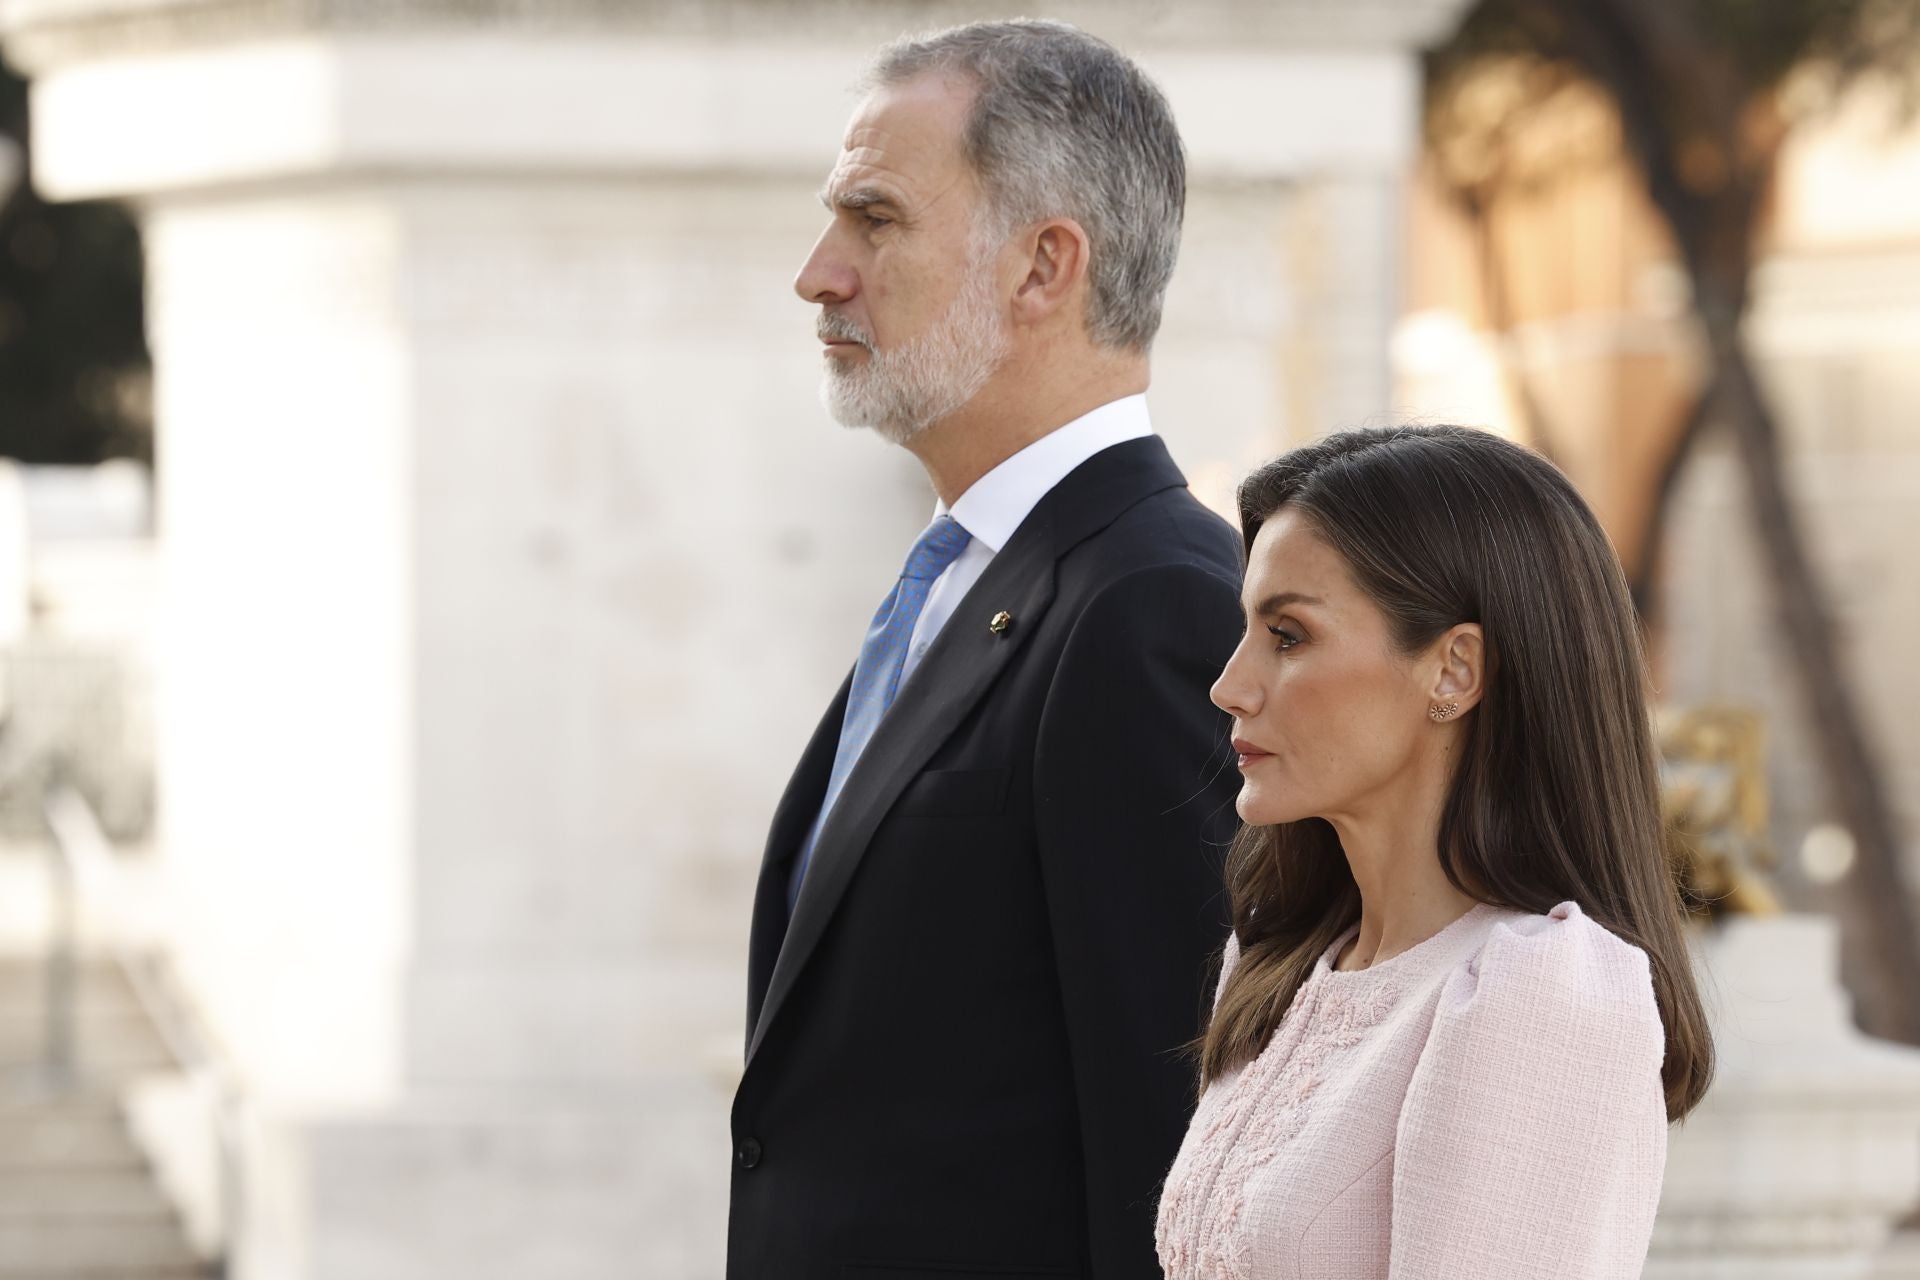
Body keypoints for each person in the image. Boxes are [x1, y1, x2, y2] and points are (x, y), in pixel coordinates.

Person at [728, 20, 1243, 1280]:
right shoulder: (974, 579)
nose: (818, 273)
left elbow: (1166, 1153)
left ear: (1042, 266)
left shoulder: (1152, 606)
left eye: (876, 219)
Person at [1156, 425, 1714, 1279]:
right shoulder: (1279, 965)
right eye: (1248, 630)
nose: (1230, 685)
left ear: (1454, 670)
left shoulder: (1538, 994)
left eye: (1289, 635)